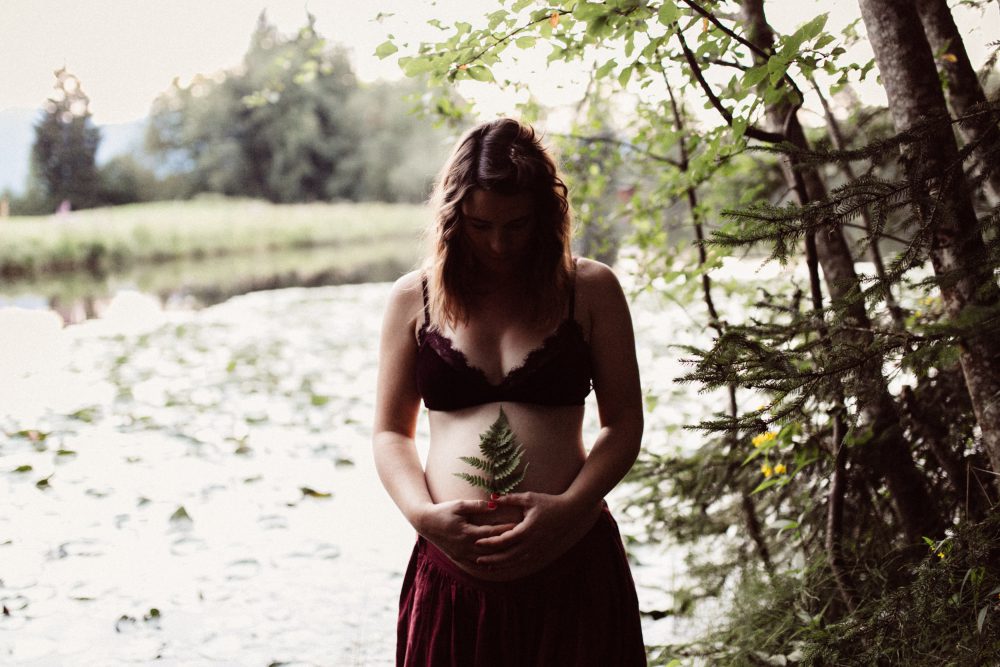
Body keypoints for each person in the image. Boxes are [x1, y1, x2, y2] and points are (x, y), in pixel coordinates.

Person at [372, 117, 646, 666]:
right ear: (454, 219)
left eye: (517, 225)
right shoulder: (414, 299)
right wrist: (423, 517)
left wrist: (571, 508)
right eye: (480, 225)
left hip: (573, 569)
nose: (499, 244)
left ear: (546, 213)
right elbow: (389, 433)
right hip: (452, 582)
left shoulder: (590, 290)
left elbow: (623, 426)